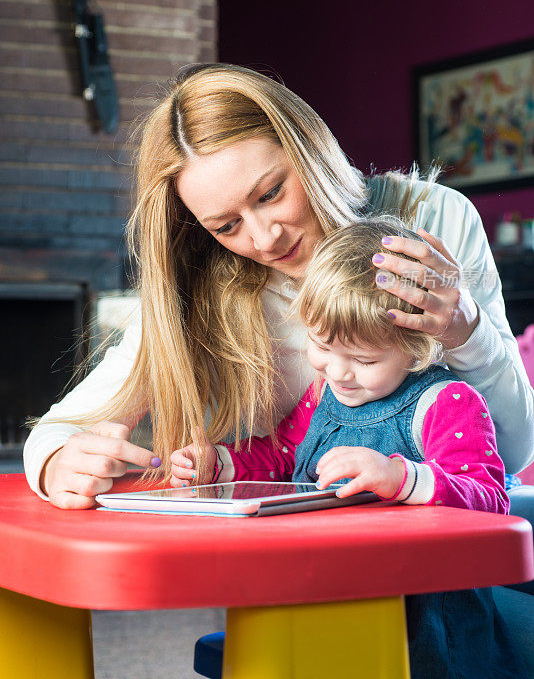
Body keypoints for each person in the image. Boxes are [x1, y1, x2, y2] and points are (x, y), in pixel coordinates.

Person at [23, 63, 534, 518]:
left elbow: (513, 452)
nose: (266, 238)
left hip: (441, 536)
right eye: (226, 226)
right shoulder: (207, 285)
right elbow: (59, 430)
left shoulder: (432, 220)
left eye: (271, 193)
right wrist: (55, 463)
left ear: (309, 147)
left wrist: (467, 333)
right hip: (297, 553)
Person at [171, 219, 528, 679]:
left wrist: (402, 479)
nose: (339, 373)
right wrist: (219, 463)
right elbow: (282, 456)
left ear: (418, 347)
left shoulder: (447, 403)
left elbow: (489, 499)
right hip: (322, 588)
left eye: (363, 360)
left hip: (425, 618)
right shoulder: (324, 393)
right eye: (321, 346)